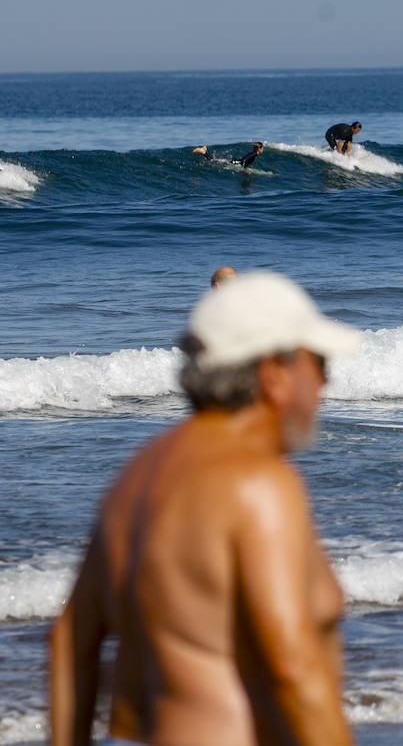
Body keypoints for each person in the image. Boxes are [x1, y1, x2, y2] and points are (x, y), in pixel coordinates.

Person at [49, 271, 360, 746]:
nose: (325, 379)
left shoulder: (140, 474)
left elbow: (70, 643)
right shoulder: (258, 485)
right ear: (273, 374)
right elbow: (293, 669)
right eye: (317, 362)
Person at [193, 141, 265, 169]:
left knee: (214, 160)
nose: (263, 150)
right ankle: (203, 151)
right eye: (263, 148)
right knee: (212, 161)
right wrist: (244, 168)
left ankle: (205, 151)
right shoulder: (254, 154)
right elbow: (244, 160)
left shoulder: (254, 153)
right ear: (260, 149)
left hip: (235, 162)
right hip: (235, 163)